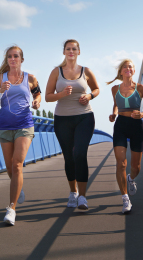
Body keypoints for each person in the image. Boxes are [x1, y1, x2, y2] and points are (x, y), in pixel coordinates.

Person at [0, 45, 41, 226]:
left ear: (21, 59)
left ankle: (11, 209)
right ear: (7, 59)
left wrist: (36, 101)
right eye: (9, 56)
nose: (13, 59)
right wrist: (0, 90)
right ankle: (18, 189)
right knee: (10, 168)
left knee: (17, 164)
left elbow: (38, 93)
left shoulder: (30, 77)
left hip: (24, 125)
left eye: (16, 56)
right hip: (5, 126)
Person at [45, 39, 100, 211]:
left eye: (74, 49)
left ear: (79, 52)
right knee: (69, 156)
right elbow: (47, 96)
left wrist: (89, 96)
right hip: (63, 119)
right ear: (64, 52)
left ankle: (83, 196)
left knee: (80, 153)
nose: (71, 51)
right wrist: (61, 94)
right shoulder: (56, 71)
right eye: (68, 49)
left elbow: (96, 89)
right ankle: (73, 192)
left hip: (84, 117)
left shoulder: (86, 71)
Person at [108, 59, 143, 214]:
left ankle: (131, 179)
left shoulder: (140, 88)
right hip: (120, 125)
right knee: (121, 163)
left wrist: (142, 114)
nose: (128, 69)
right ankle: (125, 198)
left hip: (136, 126)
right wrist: (114, 114)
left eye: (131, 67)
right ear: (121, 71)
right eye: (125, 67)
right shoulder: (115, 89)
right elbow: (115, 104)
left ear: (134, 71)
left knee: (136, 167)